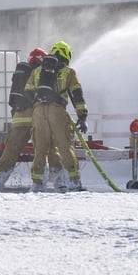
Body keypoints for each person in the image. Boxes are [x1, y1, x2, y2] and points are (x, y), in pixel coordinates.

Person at [29, 41, 88, 192]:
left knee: (40, 149)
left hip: (38, 111)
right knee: (64, 147)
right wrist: (82, 116)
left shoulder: (37, 71)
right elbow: (77, 95)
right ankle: (74, 183)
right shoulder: (69, 72)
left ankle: (37, 185)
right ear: (66, 54)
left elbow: (28, 93)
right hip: (57, 111)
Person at [0, 47, 47, 192]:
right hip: (35, 116)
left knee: (9, 152)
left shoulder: (21, 72)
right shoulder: (38, 73)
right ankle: (38, 184)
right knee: (40, 152)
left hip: (18, 118)